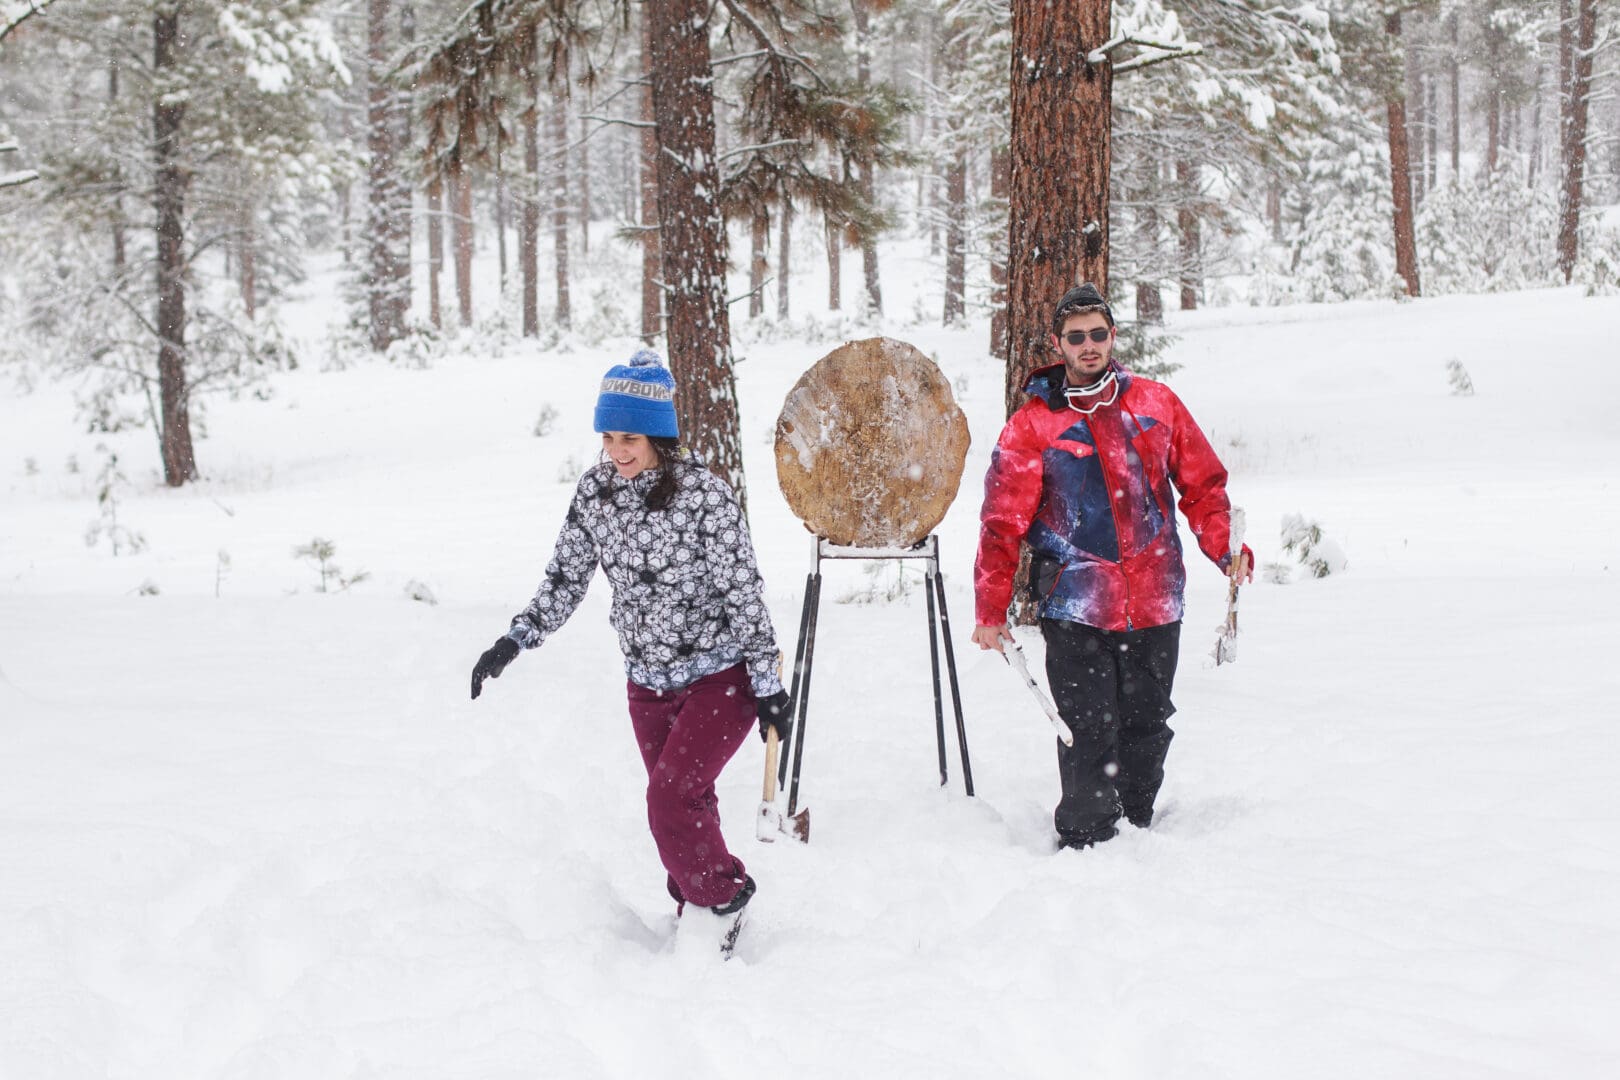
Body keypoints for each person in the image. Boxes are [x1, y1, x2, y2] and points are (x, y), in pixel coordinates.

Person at [469, 349, 792, 919]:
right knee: (686, 802)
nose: (616, 452)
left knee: (669, 801)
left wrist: (766, 684)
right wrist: (515, 640)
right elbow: (567, 576)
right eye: (609, 436)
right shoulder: (596, 493)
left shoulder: (704, 496)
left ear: (658, 439)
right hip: (646, 682)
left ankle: (724, 900)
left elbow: (741, 591)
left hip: (720, 677)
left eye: (630, 440)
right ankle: (696, 903)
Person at [971, 283, 1252, 850]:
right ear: (1059, 344)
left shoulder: (1155, 403)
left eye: (1098, 334)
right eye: (1077, 338)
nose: (1089, 345)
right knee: (1088, 726)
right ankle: (1087, 839)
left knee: (1148, 721)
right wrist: (990, 607)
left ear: (1113, 336)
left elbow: (1203, 485)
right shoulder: (1034, 424)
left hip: (1155, 596)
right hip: (1075, 601)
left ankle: (1138, 826)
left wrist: (1225, 547)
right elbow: (1002, 522)